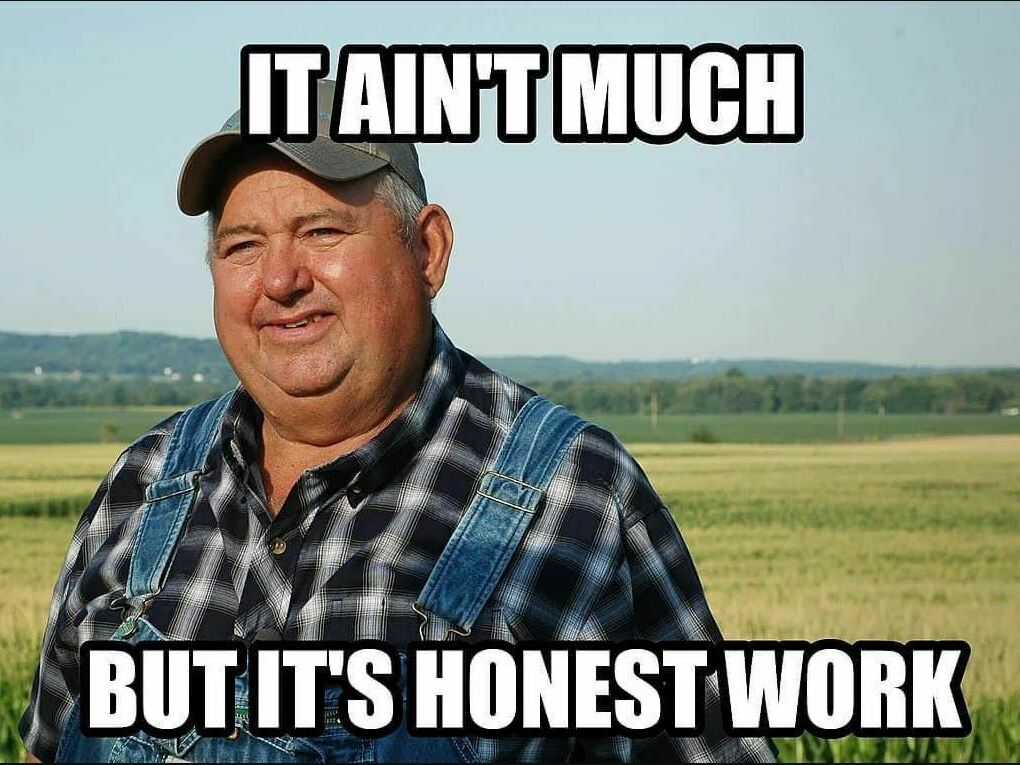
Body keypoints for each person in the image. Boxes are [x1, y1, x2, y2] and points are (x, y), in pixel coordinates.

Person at [20, 79, 775, 763]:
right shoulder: (147, 482)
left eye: (321, 231)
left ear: (428, 250)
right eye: (242, 246)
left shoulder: (576, 497)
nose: (280, 280)